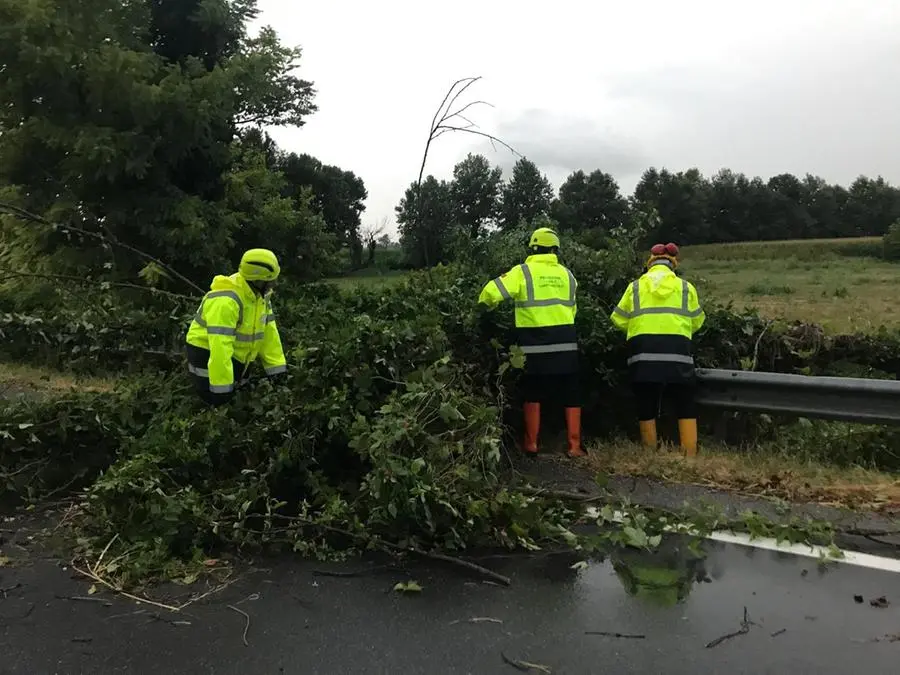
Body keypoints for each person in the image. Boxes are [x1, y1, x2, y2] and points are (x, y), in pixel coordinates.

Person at [477, 227, 585, 458]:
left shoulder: (522, 272)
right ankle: (575, 446)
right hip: (565, 342)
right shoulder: (568, 275)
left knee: (533, 392)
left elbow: (489, 293)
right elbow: (573, 309)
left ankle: (531, 444)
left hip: (533, 345)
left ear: (532, 248)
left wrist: (485, 311)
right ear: (556, 249)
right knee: (572, 392)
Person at [610, 243, 705, 456]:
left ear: (650, 263)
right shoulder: (685, 287)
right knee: (685, 399)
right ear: (673, 264)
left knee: (646, 398)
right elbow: (698, 321)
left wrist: (637, 327)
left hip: (643, 353)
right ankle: (689, 452)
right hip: (678, 352)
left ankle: (649, 451)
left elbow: (617, 318)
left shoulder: (635, 287)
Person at [185, 248, 287, 405]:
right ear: (258, 280)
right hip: (205, 354)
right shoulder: (226, 301)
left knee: (237, 397)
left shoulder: (260, 296)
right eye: (271, 280)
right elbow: (220, 347)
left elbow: (269, 332)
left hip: (237, 355)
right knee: (214, 401)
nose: (274, 284)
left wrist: (277, 368)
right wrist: (221, 389)